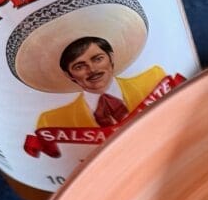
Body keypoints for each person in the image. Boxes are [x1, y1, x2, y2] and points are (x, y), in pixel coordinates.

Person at [35, 36, 166, 130]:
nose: (92, 70)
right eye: (79, 67)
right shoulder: (51, 122)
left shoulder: (154, 79)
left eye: (98, 59)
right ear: (69, 75)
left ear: (111, 57)